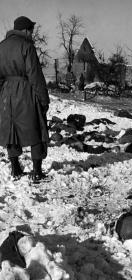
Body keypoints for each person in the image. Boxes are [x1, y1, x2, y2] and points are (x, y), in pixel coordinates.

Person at [0, 16, 50, 182]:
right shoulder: (27, 46)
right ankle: (37, 172)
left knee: (12, 130)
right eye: (31, 30)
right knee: (38, 127)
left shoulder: (1, 46)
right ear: (25, 30)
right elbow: (35, 76)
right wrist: (44, 100)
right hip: (26, 92)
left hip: (6, 93)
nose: (31, 33)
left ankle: (15, 168)